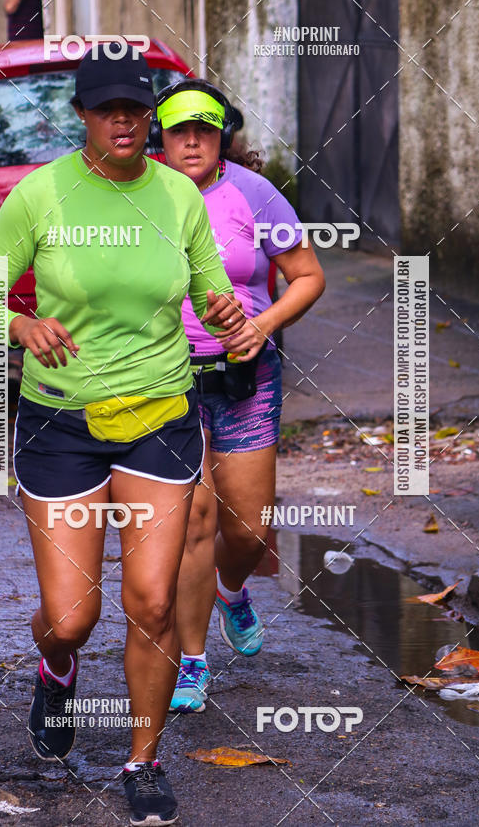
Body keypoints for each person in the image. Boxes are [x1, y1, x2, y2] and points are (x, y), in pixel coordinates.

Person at [0, 50, 244, 826]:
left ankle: (142, 760)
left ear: (149, 114)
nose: (124, 120)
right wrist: (17, 321)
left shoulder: (180, 195)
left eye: (135, 108)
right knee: (71, 615)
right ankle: (56, 671)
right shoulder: (42, 194)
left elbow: (212, 285)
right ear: (79, 116)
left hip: (160, 415)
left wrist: (222, 312)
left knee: (150, 603)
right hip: (61, 422)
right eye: (106, 108)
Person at [152, 79, 325, 713]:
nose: (192, 139)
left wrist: (262, 325)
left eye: (205, 127)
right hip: (164, 379)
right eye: (178, 129)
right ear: (159, 137)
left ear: (224, 132)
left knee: (248, 531)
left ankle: (233, 587)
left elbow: (307, 275)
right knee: (194, 522)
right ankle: (192, 661)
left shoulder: (255, 194)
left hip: (243, 377)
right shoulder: (139, 197)